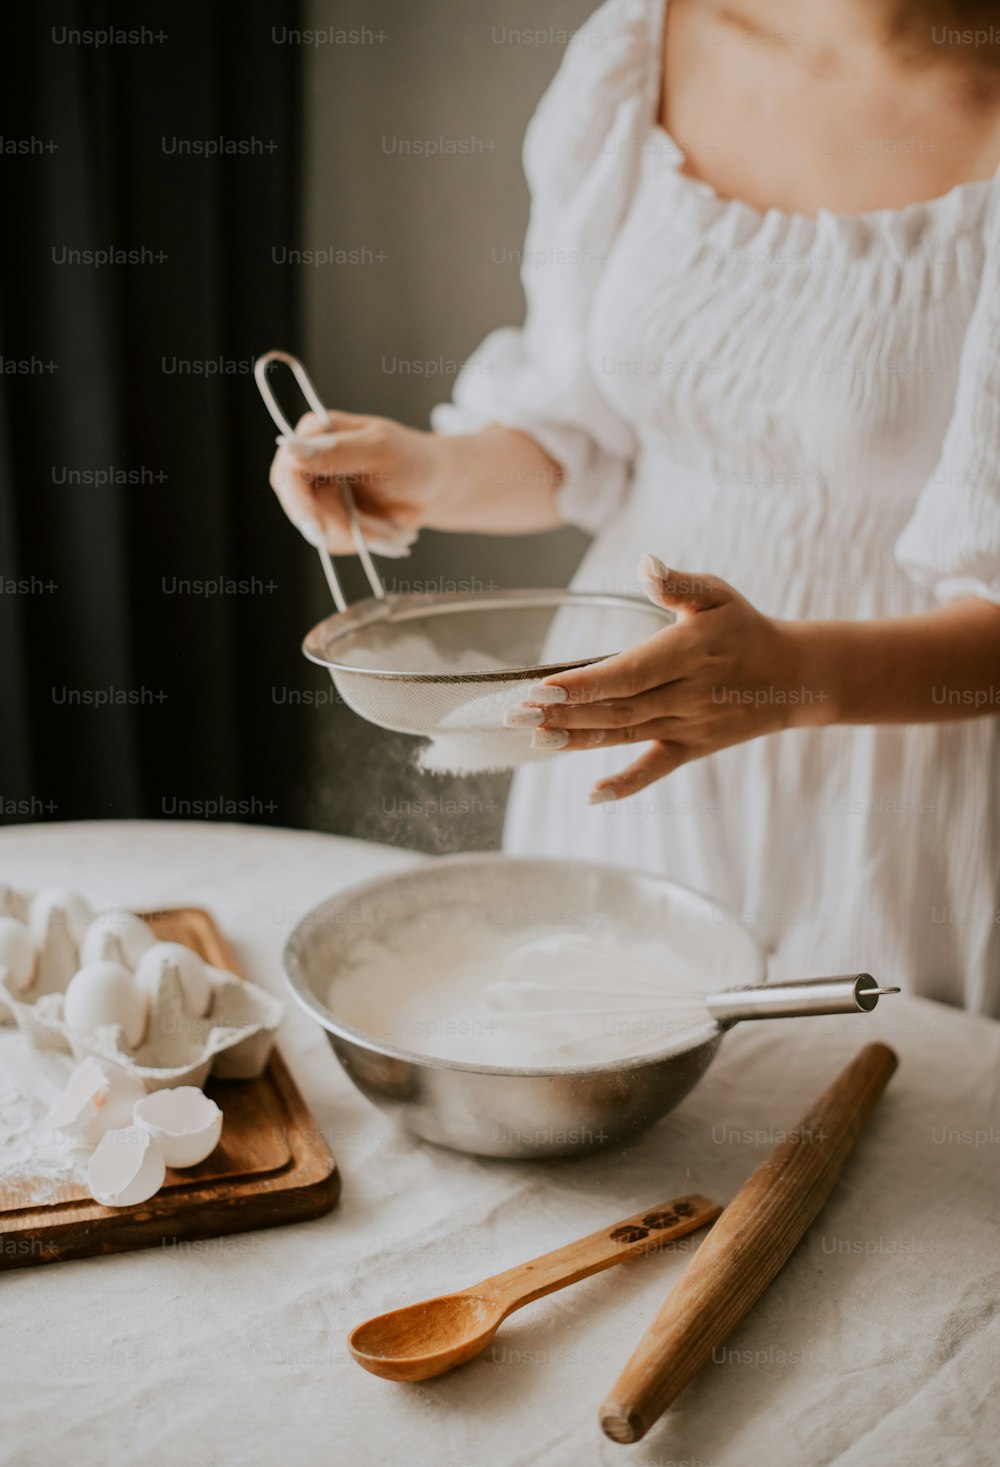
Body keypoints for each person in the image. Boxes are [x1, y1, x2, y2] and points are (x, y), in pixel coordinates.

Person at [270, 0, 1000, 1013]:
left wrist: (788, 681)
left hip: (897, 780)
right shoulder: (637, 49)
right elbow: (583, 436)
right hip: (628, 737)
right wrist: (427, 468)